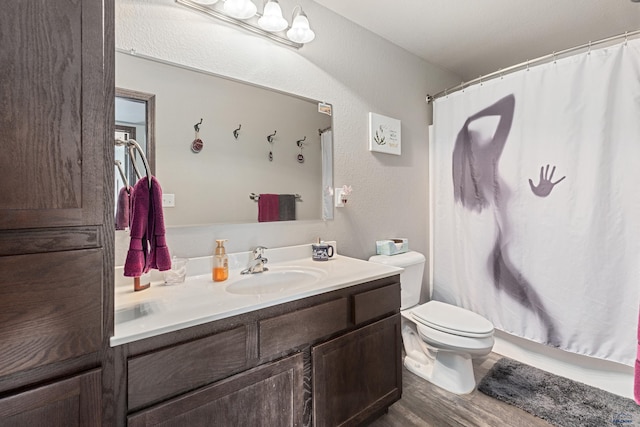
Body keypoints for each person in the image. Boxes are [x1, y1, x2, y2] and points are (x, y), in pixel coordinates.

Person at [452, 94, 561, 346]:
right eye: (477, 139)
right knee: (542, 316)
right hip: (493, 256)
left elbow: (509, 103)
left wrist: (470, 119)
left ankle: (547, 335)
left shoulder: (487, 167)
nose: (487, 140)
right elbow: (509, 105)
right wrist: (470, 120)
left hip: (500, 252)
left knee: (543, 316)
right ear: (468, 152)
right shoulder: (475, 179)